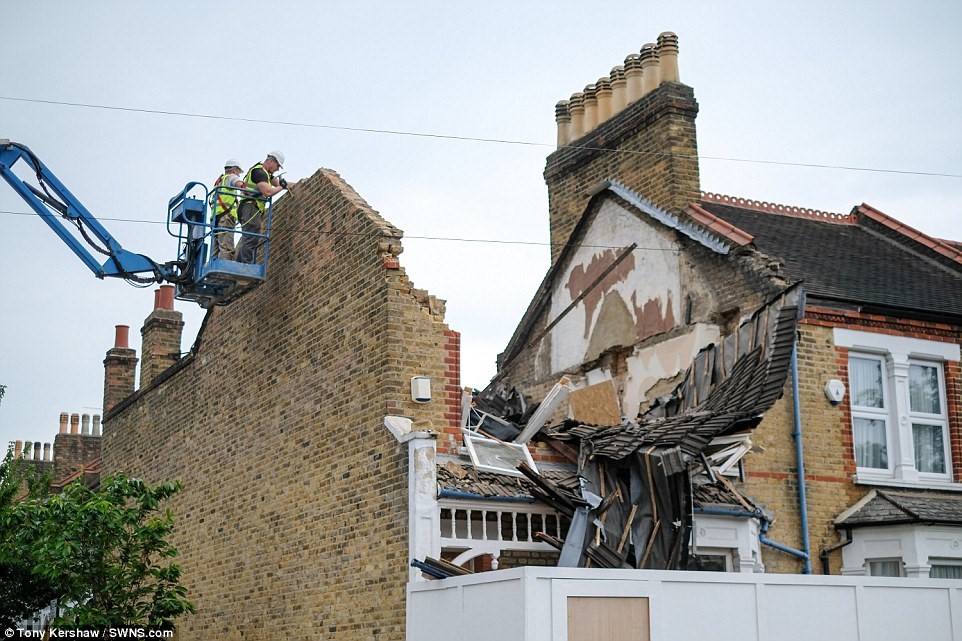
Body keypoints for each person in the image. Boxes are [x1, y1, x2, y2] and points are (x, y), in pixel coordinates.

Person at [234, 151, 289, 264]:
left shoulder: (265, 174)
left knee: (249, 238)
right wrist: (281, 187)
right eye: (277, 166)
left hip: (248, 208)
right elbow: (268, 192)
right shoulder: (259, 172)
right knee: (251, 238)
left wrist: (297, 183)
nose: (278, 169)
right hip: (250, 207)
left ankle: (239, 265)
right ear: (271, 161)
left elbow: (280, 184)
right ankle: (245, 267)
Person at [210, 159, 246, 260]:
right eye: (238, 172)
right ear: (234, 170)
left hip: (215, 219)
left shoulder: (219, 181)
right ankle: (222, 274)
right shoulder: (231, 177)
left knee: (216, 250)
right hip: (225, 218)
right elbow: (241, 185)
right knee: (226, 248)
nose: (238, 175)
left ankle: (213, 273)